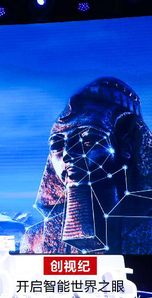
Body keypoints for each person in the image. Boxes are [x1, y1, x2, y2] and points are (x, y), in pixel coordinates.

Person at [21, 77, 152, 254]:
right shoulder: (36, 240)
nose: (68, 154)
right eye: (57, 145)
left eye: (88, 139)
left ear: (126, 148)